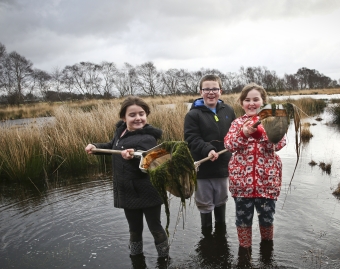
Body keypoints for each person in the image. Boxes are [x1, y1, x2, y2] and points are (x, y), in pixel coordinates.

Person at [85, 96, 169, 259]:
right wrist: (95, 147)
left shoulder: (148, 138)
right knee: (134, 228)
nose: (138, 118)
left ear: (146, 115)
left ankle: (164, 257)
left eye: (141, 113)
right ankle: (136, 257)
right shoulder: (121, 130)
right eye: (132, 115)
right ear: (124, 117)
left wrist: (134, 155)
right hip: (127, 190)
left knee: (155, 226)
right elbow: (112, 146)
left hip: (148, 190)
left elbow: (149, 159)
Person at [224, 83, 287, 249]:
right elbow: (230, 145)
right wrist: (243, 134)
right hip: (241, 184)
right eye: (247, 100)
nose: (251, 103)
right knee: (243, 220)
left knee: (267, 218)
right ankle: (245, 251)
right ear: (241, 103)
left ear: (263, 101)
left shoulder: (273, 121)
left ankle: (267, 249)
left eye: (255, 99)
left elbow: (279, 143)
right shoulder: (237, 123)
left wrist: (260, 134)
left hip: (266, 182)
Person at [184, 74, 236, 236]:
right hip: (203, 167)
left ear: (221, 91)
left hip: (223, 166)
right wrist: (208, 149)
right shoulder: (193, 115)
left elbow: (234, 133)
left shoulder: (228, 110)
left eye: (214, 89)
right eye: (207, 89)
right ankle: (207, 239)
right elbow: (192, 138)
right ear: (201, 91)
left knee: (221, 201)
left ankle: (221, 239)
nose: (211, 92)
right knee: (205, 204)